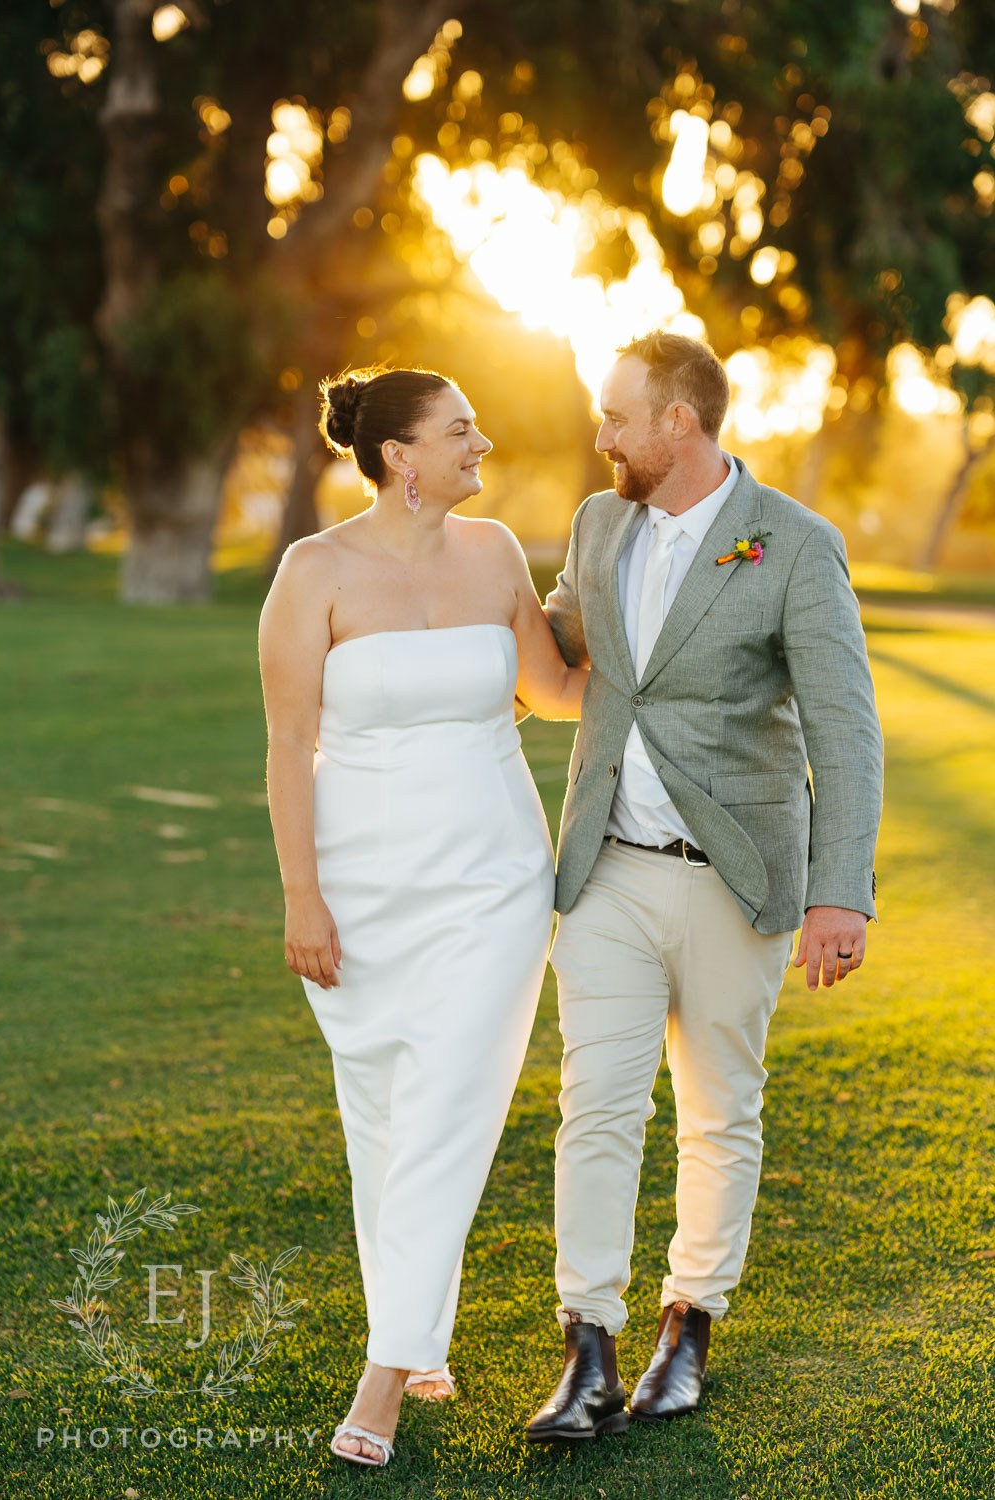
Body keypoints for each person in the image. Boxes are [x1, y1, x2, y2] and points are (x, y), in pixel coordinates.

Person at [523, 332, 884, 1442]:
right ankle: (588, 1345)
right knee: (597, 1105)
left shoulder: (794, 543)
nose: (604, 437)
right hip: (608, 874)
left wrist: (840, 892)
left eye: (618, 417)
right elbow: (557, 644)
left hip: (737, 879)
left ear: (677, 424)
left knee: (719, 1110)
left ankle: (690, 1323)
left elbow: (844, 726)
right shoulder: (598, 523)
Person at [258, 366, 587, 1468]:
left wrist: (664, 628)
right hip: (360, 881)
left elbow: (556, 690)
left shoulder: (495, 552)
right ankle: (423, 1330)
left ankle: (386, 1373)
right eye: (459, 432)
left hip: (493, 876)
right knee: (386, 1114)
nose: (479, 443)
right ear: (400, 456)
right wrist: (303, 895)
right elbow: (284, 747)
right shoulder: (312, 574)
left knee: (451, 1101)